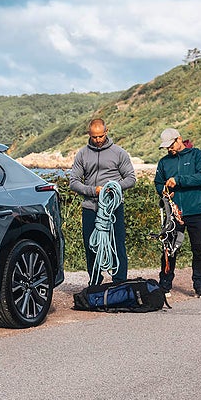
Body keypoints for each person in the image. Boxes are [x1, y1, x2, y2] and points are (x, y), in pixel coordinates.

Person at [69, 118, 137, 285]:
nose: (98, 140)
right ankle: (94, 281)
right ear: (89, 135)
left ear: (106, 132)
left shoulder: (119, 153)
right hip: (90, 208)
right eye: (94, 137)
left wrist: (112, 188)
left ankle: (119, 282)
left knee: (117, 244)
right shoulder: (82, 154)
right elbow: (74, 182)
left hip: (113, 208)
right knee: (91, 246)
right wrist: (93, 191)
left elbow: (131, 179)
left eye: (100, 136)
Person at [154, 127, 201, 297]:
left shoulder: (197, 155)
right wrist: (163, 191)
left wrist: (178, 181)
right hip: (173, 213)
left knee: (199, 249)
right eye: (166, 147)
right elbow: (158, 183)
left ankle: (199, 286)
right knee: (169, 249)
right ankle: (164, 286)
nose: (169, 149)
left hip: (197, 211)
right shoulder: (164, 162)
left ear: (179, 139)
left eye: (171, 145)